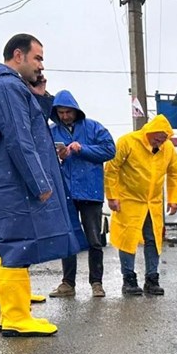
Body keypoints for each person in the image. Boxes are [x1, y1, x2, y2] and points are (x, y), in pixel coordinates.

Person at [0, 34, 85, 336]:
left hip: (8, 179)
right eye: (38, 58)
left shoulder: (12, 87)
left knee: (12, 245)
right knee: (17, 245)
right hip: (12, 181)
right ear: (19, 55)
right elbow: (19, 138)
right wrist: (40, 181)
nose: (41, 65)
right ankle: (16, 317)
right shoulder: (6, 86)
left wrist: (40, 96)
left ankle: (12, 308)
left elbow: (29, 125)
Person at [104, 114, 177, 297]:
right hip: (128, 200)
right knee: (127, 240)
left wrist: (174, 198)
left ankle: (152, 279)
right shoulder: (127, 142)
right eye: (158, 139)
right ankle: (129, 279)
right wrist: (112, 196)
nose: (160, 143)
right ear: (149, 131)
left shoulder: (168, 148)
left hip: (153, 203)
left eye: (163, 139)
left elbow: (175, 173)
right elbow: (112, 168)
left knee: (153, 239)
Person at [47, 91, 115, 299]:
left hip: (90, 191)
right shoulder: (50, 132)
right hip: (65, 191)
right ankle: (68, 283)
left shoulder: (94, 127)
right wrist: (58, 156)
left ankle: (97, 283)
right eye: (61, 112)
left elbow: (110, 150)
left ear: (76, 111)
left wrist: (81, 148)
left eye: (68, 112)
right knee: (68, 238)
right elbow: (43, 158)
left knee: (94, 239)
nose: (65, 116)